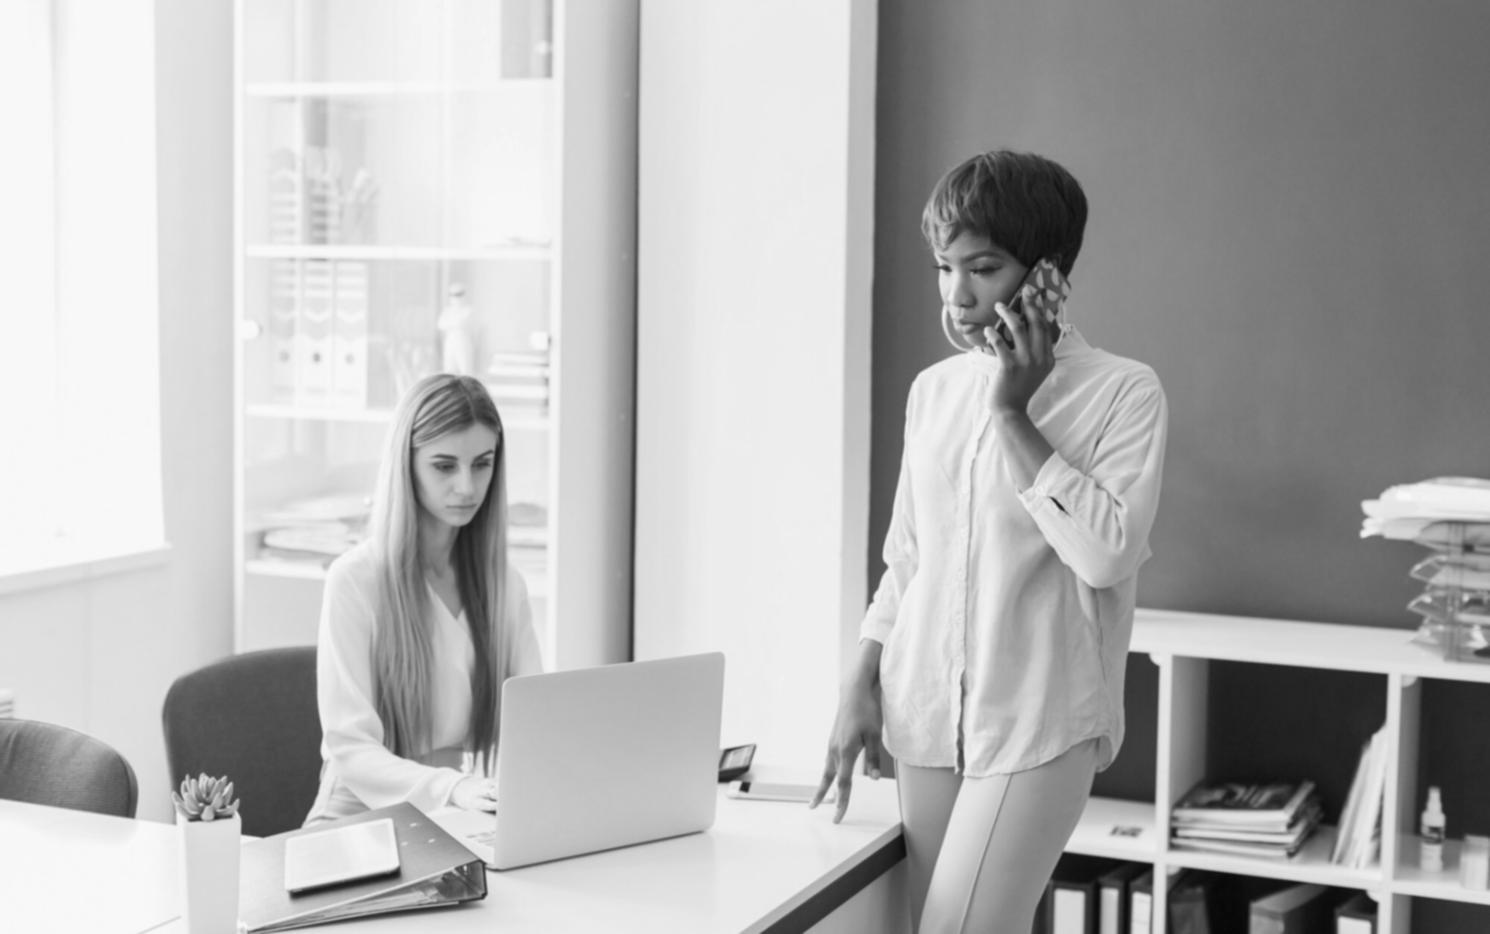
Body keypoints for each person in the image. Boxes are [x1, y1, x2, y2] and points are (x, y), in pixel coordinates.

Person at [810, 150, 1168, 932]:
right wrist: (857, 683)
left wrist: (1013, 414)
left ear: (1047, 274)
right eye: (946, 267)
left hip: (1042, 721)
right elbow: (908, 560)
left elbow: (1106, 553)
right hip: (924, 716)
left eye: (983, 267)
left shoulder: (1123, 391)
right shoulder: (934, 391)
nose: (958, 294)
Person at [304, 373, 543, 825]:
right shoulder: (355, 581)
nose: (468, 487)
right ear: (406, 464)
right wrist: (455, 788)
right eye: (444, 465)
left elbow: (536, 722)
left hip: (457, 818)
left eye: (482, 463)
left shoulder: (504, 586)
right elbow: (351, 749)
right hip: (356, 820)